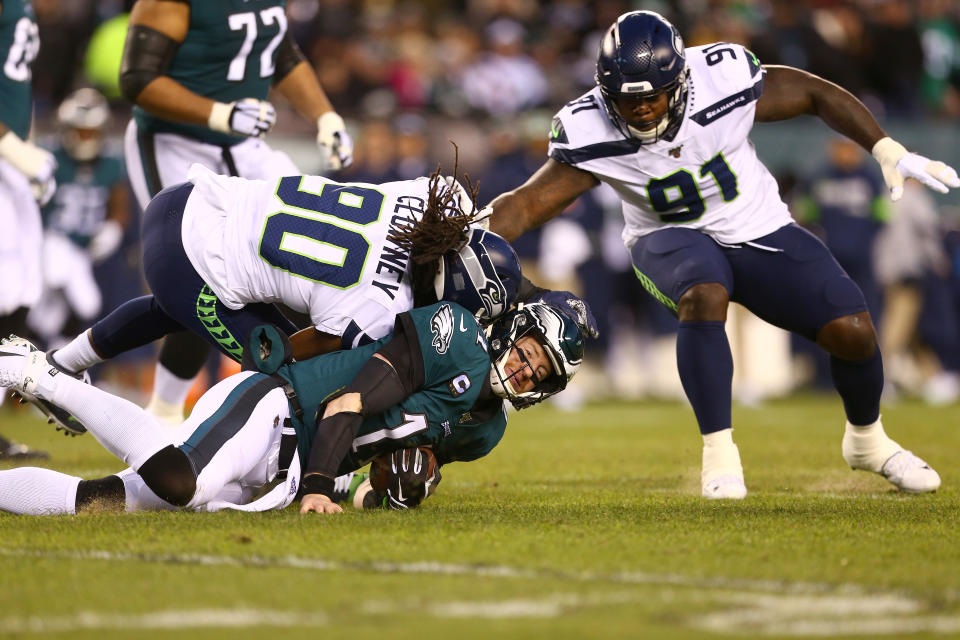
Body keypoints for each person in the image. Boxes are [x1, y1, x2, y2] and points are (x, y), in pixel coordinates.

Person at [486, 10, 958, 499]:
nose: (641, 110)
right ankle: (720, 454)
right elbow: (526, 204)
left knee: (854, 330)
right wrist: (471, 230)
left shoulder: (722, 78)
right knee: (703, 290)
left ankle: (868, 442)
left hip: (758, 226)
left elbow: (815, 91)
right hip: (666, 237)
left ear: (681, 81)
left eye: (651, 96)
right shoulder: (589, 127)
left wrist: (883, 147)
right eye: (627, 101)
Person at [24, 165, 529, 437]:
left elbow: (465, 217)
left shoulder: (433, 200)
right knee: (282, 371)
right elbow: (314, 354)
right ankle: (189, 456)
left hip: (191, 199)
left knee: (176, 310)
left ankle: (58, 367)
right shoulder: (378, 308)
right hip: (193, 259)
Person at [0, 300, 584, 516]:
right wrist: (319, 487)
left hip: (290, 470)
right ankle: (40, 374)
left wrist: (398, 489)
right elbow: (350, 403)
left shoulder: (487, 432)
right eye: (532, 351)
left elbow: (386, 463)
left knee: (106, 502)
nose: (528, 368)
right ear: (514, 330)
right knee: (181, 481)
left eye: (543, 370)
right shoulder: (453, 335)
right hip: (276, 407)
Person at [119, 0, 354, 422]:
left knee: (315, 242)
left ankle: (325, 390)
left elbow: (282, 55)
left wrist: (325, 116)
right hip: (175, 142)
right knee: (196, 268)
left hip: (243, 145)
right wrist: (218, 112)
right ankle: (164, 411)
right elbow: (137, 80)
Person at [28, 88, 130, 347]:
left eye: (92, 130)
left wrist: (113, 228)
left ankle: (51, 352)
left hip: (82, 251)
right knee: (54, 272)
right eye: (81, 129)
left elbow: (119, 204)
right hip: (48, 242)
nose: (86, 137)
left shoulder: (111, 162)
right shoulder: (50, 157)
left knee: (87, 305)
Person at [0, 0, 55, 460]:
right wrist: (15, 151)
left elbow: (14, 89)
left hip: (9, 157)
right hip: (4, 153)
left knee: (18, 295)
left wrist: (24, 150)